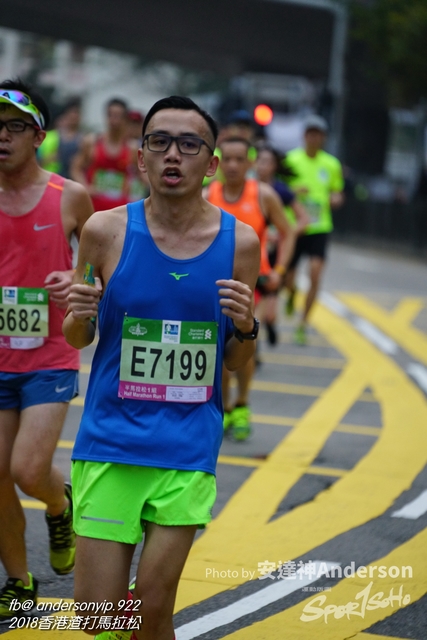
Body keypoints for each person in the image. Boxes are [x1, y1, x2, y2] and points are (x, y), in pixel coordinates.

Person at [63, 95, 260, 640]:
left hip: (187, 448)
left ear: (211, 164)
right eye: (160, 141)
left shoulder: (240, 243)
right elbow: (78, 336)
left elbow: (235, 359)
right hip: (110, 443)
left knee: (152, 612)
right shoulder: (104, 231)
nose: (173, 154)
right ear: (141, 158)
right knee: (97, 620)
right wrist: (79, 314)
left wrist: (247, 327)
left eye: (189, 144)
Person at [0, 78, 93, 621]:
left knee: (28, 470)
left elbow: (103, 264)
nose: (3, 136)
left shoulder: (69, 196)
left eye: (15, 127)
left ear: (38, 136)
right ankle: (19, 581)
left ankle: (60, 504)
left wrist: (77, 280)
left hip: (49, 353)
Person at [205, 137, 296, 440]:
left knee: (244, 345)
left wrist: (279, 270)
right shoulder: (208, 195)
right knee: (219, 351)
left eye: (239, 159)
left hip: (252, 285)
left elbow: (288, 232)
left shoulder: (263, 195)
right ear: (217, 163)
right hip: (216, 284)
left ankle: (242, 404)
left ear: (250, 163)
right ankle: (225, 407)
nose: (232, 165)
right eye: (227, 159)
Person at [283, 115, 344, 345]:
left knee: (316, 274)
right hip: (295, 226)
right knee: (288, 278)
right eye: (310, 133)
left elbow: (337, 192)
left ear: (323, 138)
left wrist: (336, 199)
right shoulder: (291, 160)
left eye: (318, 134)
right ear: (304, 136)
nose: (313, 138)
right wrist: (293, 191)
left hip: (320, 226)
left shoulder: (331, 164)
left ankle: (303, 323)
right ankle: (291, 294)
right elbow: (277, 189)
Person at [254, 145, 309, 344]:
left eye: (267, 162)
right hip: (250, 253)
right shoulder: (245, 188)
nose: (262, 166)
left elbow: (304, 219)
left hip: (273, 256)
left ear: (274, 166)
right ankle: (254, 349)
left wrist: (283, 234)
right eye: (259, 161)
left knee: (269, 313)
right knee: (252, 308)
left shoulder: (280, 191)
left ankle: (268, 327)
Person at [71, 98, 138, 211]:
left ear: (125, 119)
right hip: (93, 207)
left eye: (118, 116)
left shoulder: (132, 147)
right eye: (110, 115)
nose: (114, 120)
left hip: (120, 209)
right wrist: (85, 187)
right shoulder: (92, 142)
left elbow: (142, 175)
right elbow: (76, 168)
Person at [38, 97, 83, 178]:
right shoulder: (50, 137)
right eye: (71, 114)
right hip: (53, 177)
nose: (74, 117)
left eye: (76, 113)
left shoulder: (83, 140)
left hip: (73, 178)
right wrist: (49, 159)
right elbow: (37, 161)